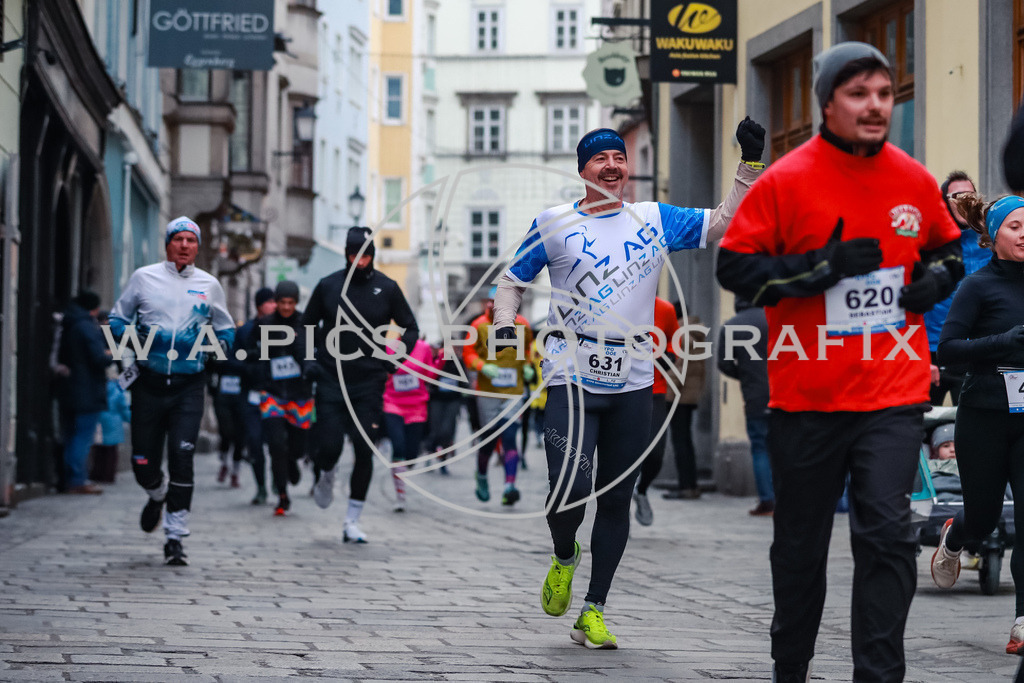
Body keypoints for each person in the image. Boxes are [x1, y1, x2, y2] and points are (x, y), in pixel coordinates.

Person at [715, 42, 963, 681]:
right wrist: (819, 269)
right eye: (860, 94)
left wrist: (935, 283)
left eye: (884, 93)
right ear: (828, 102)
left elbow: (948, 252)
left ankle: (878, 676)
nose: (876, 105)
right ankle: (790, 668)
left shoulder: (910, 176)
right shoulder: (787, 180)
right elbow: (734, 269)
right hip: (808, 396)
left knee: (885, 535)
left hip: (891, 389)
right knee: (800, 549)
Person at [492, 119, 765, 649]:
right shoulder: (554, 222)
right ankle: (565, 553)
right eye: (600, 159)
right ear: (582, 170)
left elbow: (721, 226)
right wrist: (505, 343)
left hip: (634, 378)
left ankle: (593, 610)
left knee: (616, 499)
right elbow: (512, 282)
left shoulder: (652, 219)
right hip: (570, 371)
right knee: (568, 489)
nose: (613, 165)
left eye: (619, 157)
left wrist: (749, 164)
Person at [108, 216, 234, 566]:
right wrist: (141, 339)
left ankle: (175, 537)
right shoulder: (144, 278)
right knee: (142, 462)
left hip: (188, 386)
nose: (184, 245)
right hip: (148, 383)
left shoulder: (209, 284)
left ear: (197, 247)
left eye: (190, 240)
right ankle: (156, 494)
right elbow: (117, 320)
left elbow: (226, 330)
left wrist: (213, 350)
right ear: (168, 244)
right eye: (178, 239)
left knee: (182, 457)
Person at [931, 193, 1024, 655]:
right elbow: (947, 350)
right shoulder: (978, 286)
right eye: (1015, 226)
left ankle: (1023, 621)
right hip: (985, 415)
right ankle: (955, 535)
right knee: (985, 517)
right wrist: (1002, 341)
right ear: (994, 237)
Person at [304, 226, 419, 543]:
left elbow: (410, 327)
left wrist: (394, 359)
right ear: (346, 254)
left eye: (366, 255)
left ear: (373, 256)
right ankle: (326, 472)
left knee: (364, 449)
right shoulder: (328, 286)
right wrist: (309, 361)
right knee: (329, 446)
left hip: (369, 380)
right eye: (354, 255)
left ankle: (351, 521)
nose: (360, 261)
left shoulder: (387, 287)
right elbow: (306, 326)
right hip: (330, 376)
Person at [246, 280, 313, 516]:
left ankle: (293, 461)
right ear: (276, 302)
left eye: (290, 303)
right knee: (275, 444)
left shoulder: (306, 323)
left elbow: (315, 355)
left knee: (296, 446)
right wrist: (260, 365)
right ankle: (282, 496)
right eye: (282, 303)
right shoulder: (263, 324)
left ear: (296, 303)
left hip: (300, 394)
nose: (286, 307)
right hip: (272, 393)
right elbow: (249, 352)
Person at [463, 287, 534, 506]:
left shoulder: (522, 324)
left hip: (514, 391)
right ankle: (482, 476)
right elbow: (468, 352)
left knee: (511, 436)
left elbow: (528, 348)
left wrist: (528, 366)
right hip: (488, 392)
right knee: (490, 438)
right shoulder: (478, 326)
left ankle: (509, 486)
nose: (491, 305)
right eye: (489, 301)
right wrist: (481, 366)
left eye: (497, 302)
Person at [923, 171, 990, 406]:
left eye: (970, 194)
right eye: (957, 195)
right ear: (944, 201)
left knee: (972, 422)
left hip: (975, 346)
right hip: (933, 348)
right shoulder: (931, 241)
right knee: (925, 426)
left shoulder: (990, 240)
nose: (964, 200)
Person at [717, 297, 773, 516]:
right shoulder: (772, 319)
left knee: (760, 447)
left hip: (755, 396)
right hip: (783, 392)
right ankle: (787, 497)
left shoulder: (731, 327)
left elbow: (724, 363)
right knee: (785, 448)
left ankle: (768, 501)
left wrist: (746, 375)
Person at [57, 291, 112, 495]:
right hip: (87, 390)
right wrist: (110, 353)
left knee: (72, 435)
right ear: (94, 308)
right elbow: (99, 358)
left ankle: (70, 478)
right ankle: (76, 480)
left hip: (71, 387)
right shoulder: (86, 326)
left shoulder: (70, 323)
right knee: (82, 436)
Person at [632, 296, 680, 526]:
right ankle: (616, 507)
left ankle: (641, 490)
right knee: (620, 453)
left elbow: (675, 340)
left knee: (656, 452)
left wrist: (670, 354)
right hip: (619, 389)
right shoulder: (615, 302)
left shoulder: (665, 309)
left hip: (655, 389)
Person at [383, 338, 441, 510]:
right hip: (392, 403)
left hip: (417, 407)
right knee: (398, 447)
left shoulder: (422, 348)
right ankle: (400, 496)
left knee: (411, 455)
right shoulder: (388, 346)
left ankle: (402, 471)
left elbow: (429, 375)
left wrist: (442, 359)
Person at [232, 287, 277, 505]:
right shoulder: (246, 331)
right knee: (255, 442)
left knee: (279, 442)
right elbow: (229, 359)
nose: (275, 305)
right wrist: (248, 368)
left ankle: (280, 478)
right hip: (250, 395)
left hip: (276, 395)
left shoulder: (283, 329)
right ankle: (261, 487)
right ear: (260, 305)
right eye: (270, 302)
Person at [661, 312, 706, 501]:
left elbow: (678, 369)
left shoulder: (682, 336)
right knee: (686, 442)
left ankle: (685, 487)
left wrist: (667, 396)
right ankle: (691, 486)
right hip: (690, 395)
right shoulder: (697, 335)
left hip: (678, 397)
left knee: (680, 443)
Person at [89, 362, 131, 484]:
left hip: (99, 419)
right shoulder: (117, 388)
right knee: (111, 451)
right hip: (114, 421)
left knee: (98, 449)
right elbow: (123, 407)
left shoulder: (98, 385)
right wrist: (130, 419)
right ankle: (108, 475)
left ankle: (96, 474)